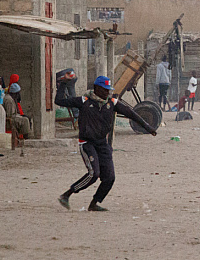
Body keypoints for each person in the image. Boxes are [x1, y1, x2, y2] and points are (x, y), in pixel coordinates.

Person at [56, 76, 157, 212]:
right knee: (93, 174)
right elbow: (59, 101)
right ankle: (66, 195)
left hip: (103, 144)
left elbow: (131, 114)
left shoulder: (112, 103)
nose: (107, 93)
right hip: (87, 143)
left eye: (108, 90)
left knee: (109, 177)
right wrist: (62, 85)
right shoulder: (84, 101)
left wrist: (147, 127)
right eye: (104, 90)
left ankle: (94, 203)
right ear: (97, 88)